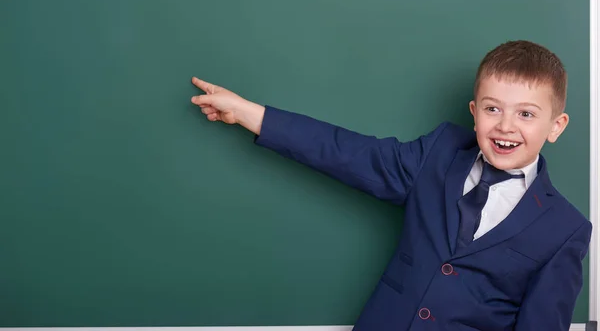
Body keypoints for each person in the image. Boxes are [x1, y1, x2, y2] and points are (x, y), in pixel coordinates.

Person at [190, 40, 591, 331]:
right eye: (492, 109)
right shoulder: (438, 154)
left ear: (555, 126)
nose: (505, 126)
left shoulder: (564, 230)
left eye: (526, 114)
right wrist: (250, 114)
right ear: (474, 113)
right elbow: (346, 153)